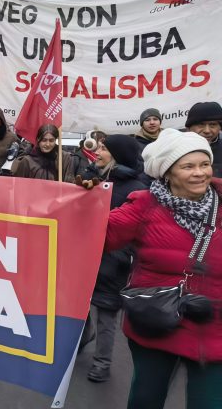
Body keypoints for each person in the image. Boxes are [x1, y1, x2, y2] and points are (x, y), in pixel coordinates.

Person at [102, 128, 222, 408]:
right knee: (146, 399)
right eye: (188, 166)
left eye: (204, 164)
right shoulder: (144, 205)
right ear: (167, 172)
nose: (200, 173)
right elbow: (100, 235)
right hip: (158, 321)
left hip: (215, 328)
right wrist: (84, 203)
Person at [79, 135, 148, 383]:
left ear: (118, 156)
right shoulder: (92, 179)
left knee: (106, 313)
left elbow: (138, 229)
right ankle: (83, 338)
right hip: (85, 254)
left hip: (114, 260)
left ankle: (102, 362)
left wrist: (120, 255)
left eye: (104, 149)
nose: (97, 152)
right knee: (79, 305)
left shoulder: (136, 189)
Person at [11, 124, 77, 182]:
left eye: (51, 140)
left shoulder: (64, 158)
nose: (47, 144)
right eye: (44, 140)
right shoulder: (27, 161)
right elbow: (19, 185)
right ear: (38, 140)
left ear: (55, 140)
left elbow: (69, 182)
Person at [185, 102, 222, 177]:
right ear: (189, 128)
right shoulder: (175, 150)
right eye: (201, 124)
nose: (207, 131)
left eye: (213, 125)